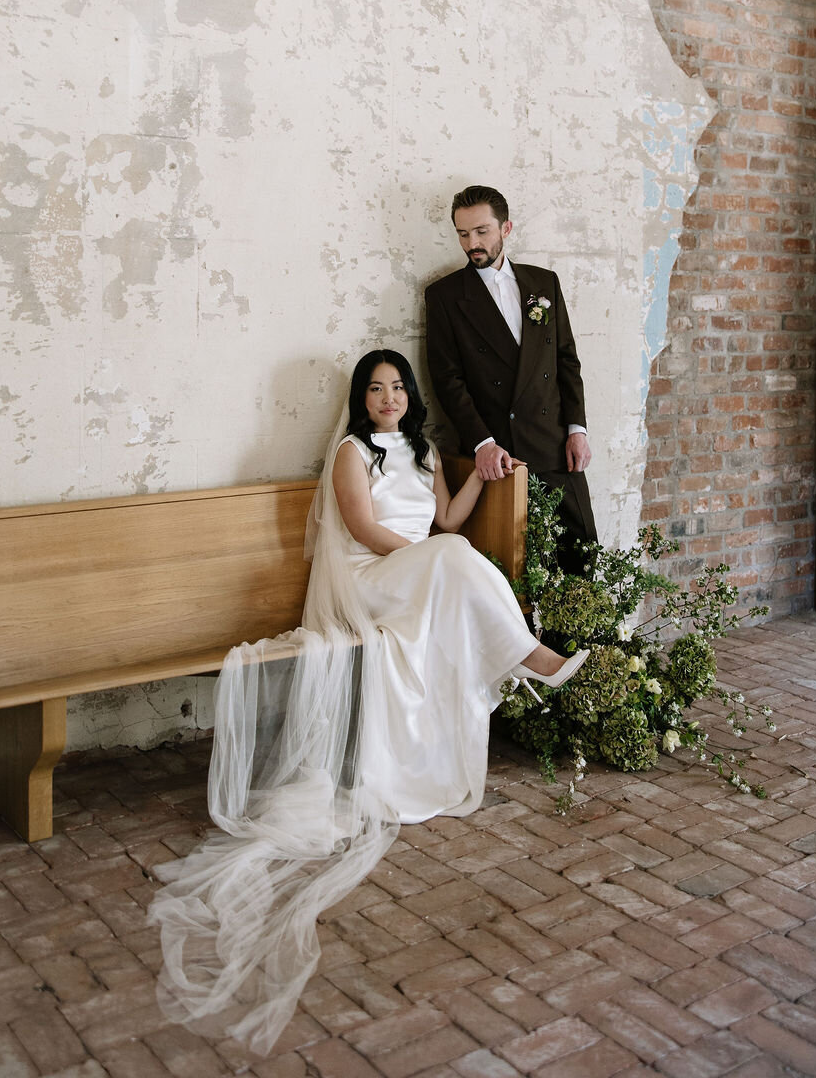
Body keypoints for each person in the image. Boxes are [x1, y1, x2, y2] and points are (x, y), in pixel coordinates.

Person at [149, 349, 587, 1056]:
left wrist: (477, 473)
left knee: (455, 556)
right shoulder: (354, 453)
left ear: (411, 397)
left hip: (414, 567)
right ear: (362, 398)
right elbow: (360, 531)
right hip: (371, 576)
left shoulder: (422, 452)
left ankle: (523, 660)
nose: (388, 397)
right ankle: (532, 657)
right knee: (452, 561)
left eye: (397, 388)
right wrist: (424, 557)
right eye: (376, 389)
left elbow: (445, 520)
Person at [425, 184, 598, 559]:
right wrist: (482, 444)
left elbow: (566, 360)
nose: (472, 243)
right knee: (517, 572)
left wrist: (577, 430)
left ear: (506, 229)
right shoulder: (444, 296)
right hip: (500, 457)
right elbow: (447, 380)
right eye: (463, 233)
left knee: (580, 557)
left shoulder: (543, 283)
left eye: (482, 231)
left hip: (556, 448)